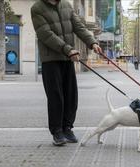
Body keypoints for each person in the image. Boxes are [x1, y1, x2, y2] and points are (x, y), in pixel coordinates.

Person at [31, 0, 102, 146]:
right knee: (56, 96)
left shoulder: (66, 5)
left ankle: (67, 128)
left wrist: (92, 42)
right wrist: (68, 49)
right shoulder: (37, 8)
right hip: (51, 59)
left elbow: (78, 26)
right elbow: (46, 34)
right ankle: (57, 131)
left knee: (71, 95)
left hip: (67, 58)